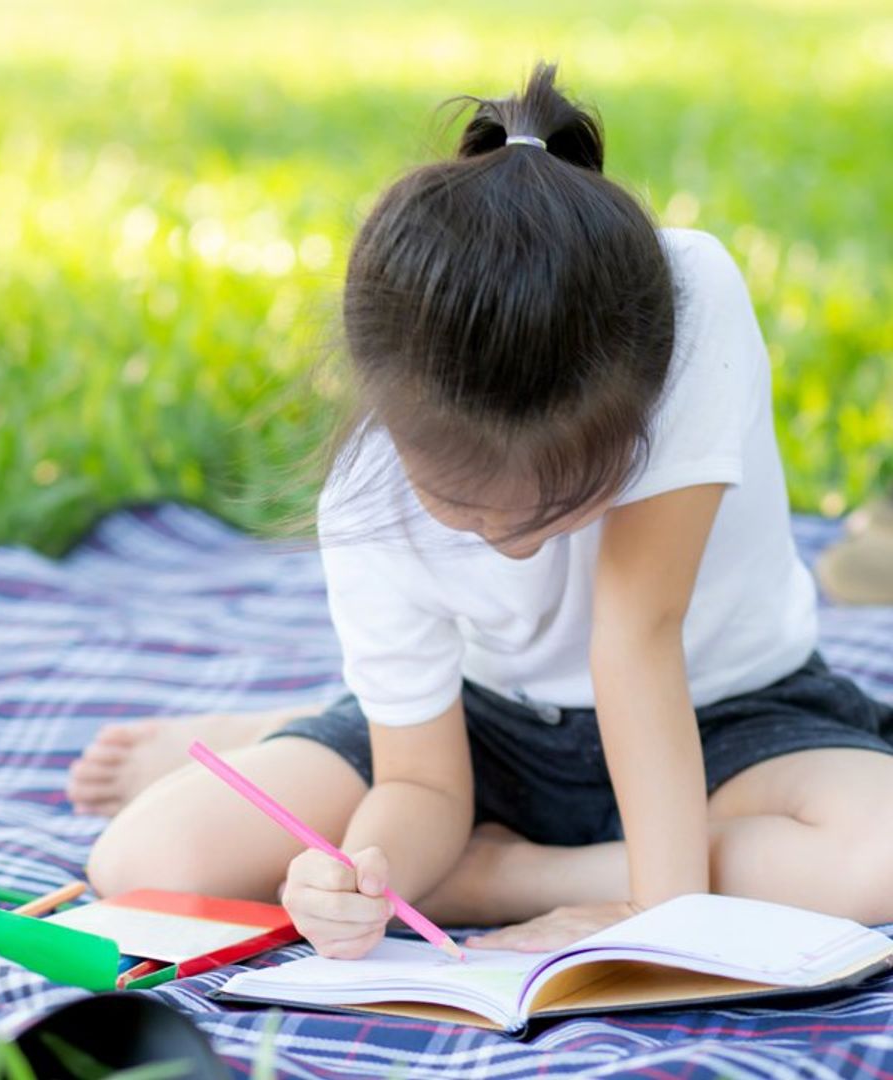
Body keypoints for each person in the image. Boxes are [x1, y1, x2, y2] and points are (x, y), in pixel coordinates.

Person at [74, 61, 893, 959]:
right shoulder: (367, 493)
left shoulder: (683, 299)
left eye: (560, 504)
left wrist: (660, 925)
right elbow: (423, 782)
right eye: (466, 510)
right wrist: (359, 874)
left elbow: (637, 637)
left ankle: (502, 874)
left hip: (724, 713)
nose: (509, 546)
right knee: (147, 862)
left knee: (881, 858)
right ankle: (323, 747)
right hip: (485, 727)